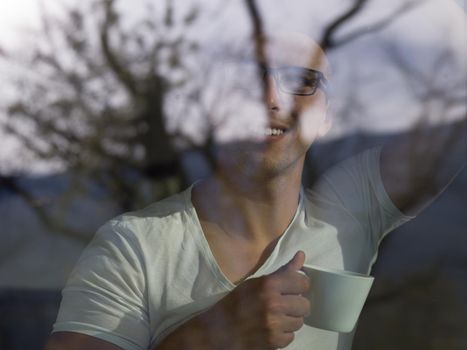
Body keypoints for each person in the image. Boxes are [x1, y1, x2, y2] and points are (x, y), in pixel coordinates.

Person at [44, 31, 466, 350]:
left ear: (326, 115)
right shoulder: (132, 247)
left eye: (300, 79)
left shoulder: (350, 207)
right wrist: (211, 337)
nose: (269, 98)